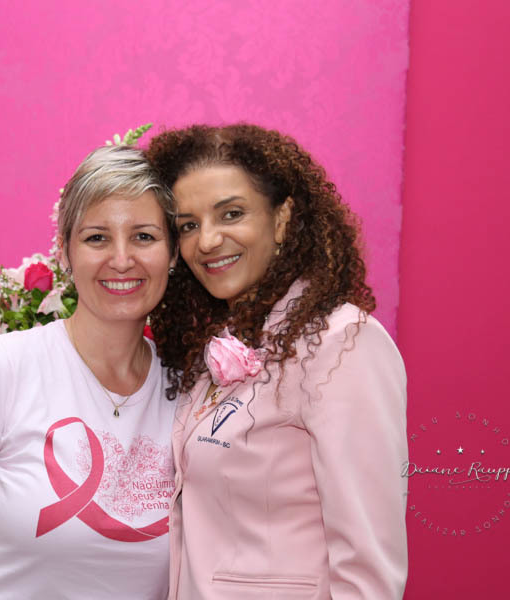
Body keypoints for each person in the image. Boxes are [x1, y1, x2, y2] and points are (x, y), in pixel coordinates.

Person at [0, 145, 179, 599]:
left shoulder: (187, 393)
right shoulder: (3, 367)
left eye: (143, 236)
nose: (122, 259)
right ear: (64, 253)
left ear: (173, 254)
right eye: (97, 238)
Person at [146, 124, 408, 599]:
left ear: (282, 218)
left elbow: (369, 572)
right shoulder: (214, 350)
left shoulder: (344, 342)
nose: (208, 240)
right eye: (188, 225)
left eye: (231, 213)